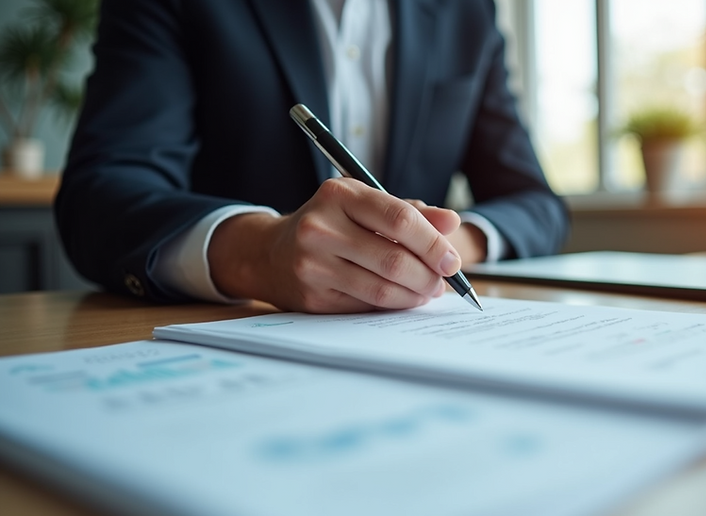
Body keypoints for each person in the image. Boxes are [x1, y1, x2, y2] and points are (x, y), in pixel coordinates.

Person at [56, 0, 568, 314]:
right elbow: (100, 194)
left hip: (411, 334)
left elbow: (535, 202)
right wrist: (257, 254)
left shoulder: (466, 9)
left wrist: (444, 248)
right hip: (237, 339)